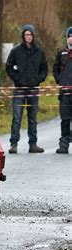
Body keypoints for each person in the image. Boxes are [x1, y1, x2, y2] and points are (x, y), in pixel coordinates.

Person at [6, 24, 48, 154]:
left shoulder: (39, 52)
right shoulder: (16, 51)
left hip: (33, 89)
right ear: (23, 36)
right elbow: (8, 67)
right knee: (17, 117)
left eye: (30, 34)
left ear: (33, 36)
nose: (28, 37)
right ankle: (13, 144)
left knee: (33, 117)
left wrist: (37, 80)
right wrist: (17, 79)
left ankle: (33, 143)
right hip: (19, 89)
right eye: (26, 34)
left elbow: (44, 69)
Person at [52, 26, 72, 154]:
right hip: (64, 93)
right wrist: (60, 80)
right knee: (65, 119)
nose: (71, 39)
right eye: (70, 36)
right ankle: (64, 143)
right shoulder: (61, 53)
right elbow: (55, 69)